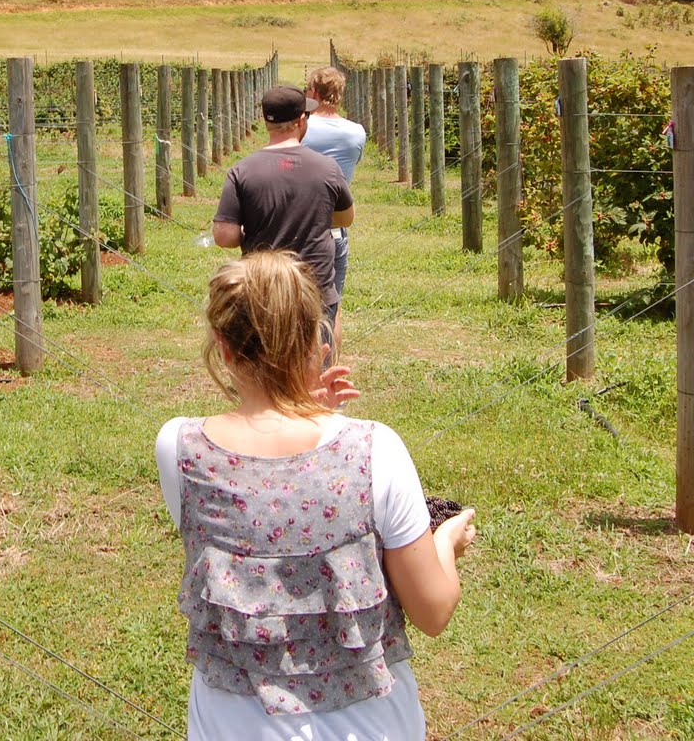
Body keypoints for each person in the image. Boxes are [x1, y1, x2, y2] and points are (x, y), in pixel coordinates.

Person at [156, 251, 476, 739]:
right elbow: (432, 610)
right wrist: (445, 542)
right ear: (316, 338)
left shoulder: (179, 448)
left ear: (222, 348)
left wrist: (303, 408)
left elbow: (269, 501)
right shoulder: (376, 449)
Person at [213, 86, 353, 335]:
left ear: (266, 122)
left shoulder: (241, 171)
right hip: (315, 284)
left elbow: (224, 236)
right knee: (317, 352)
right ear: (301, 121)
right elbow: (345, 218)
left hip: (263, 287)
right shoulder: (327, 168)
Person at [300, 66, 368, 352]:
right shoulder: (356, 133)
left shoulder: (301, 127)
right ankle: (329, 372)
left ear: (313, 92)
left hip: (298, 224)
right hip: (335, 228)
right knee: (332, 309)